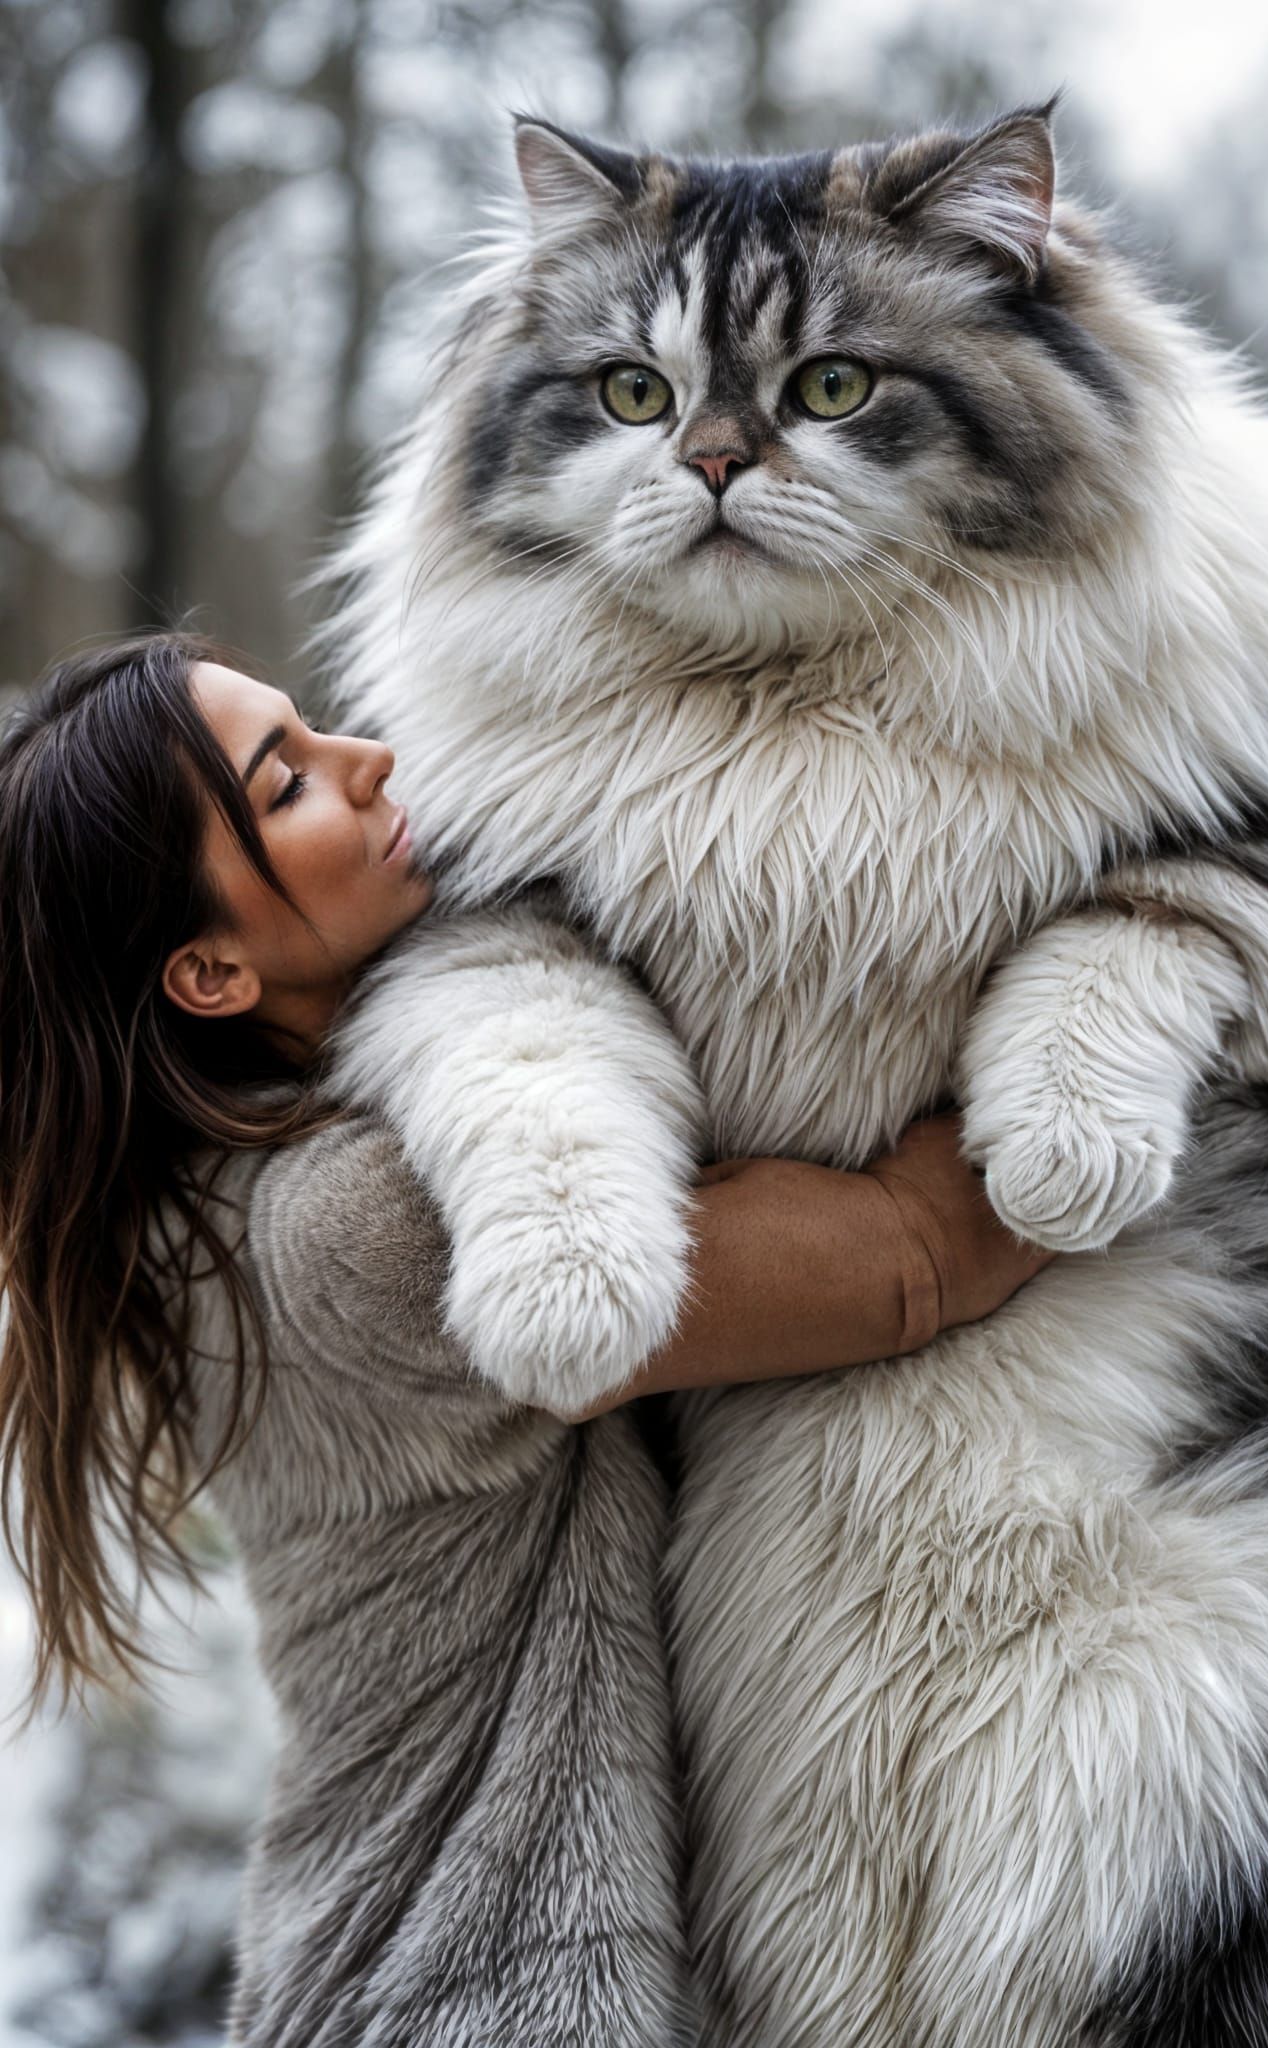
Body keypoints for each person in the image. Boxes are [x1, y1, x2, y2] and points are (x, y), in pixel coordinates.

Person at [0, 631, 1049, 2046]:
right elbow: (914, 1257)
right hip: (485, 1994)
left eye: (313, 728)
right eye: (287, 784)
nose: (369, 759)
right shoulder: (359, 1234)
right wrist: (1130, 1034)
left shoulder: (219, 1205)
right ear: (208, 973)